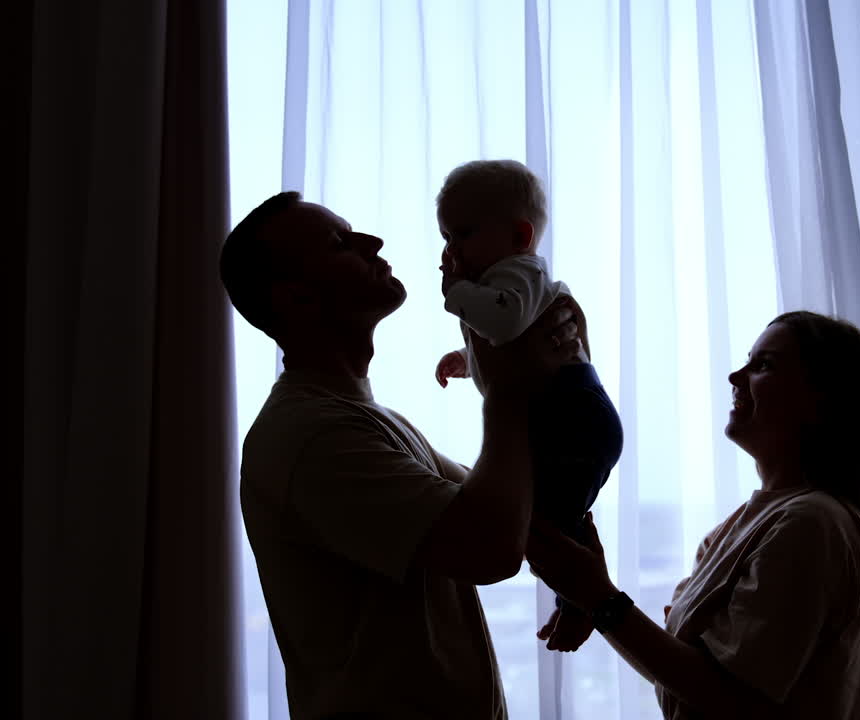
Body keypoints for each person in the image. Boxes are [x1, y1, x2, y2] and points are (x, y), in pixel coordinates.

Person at [219, 191, 586, 719]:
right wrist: (508, 383)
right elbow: (490, 547)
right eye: (340, 243)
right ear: (297, 297)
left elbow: (517, 510)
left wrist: (580, 570)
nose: (373, 241)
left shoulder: (366, 419)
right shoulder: (313, 435)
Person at [526, 311, 860, 719]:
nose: (735, 377)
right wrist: (593, 600)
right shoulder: (744, 526)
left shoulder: (810, 524)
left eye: (764, 365)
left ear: (821, 400)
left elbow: (734, 697)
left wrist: (597, 596)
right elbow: (687, 675)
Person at [432, 159, 624, 652]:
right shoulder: (510, 280)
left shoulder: (518, 272)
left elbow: (505, 323)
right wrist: (466, 358)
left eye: (461, 236)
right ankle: (579, 599)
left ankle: (580, 600)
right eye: (445, 237)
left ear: (520, 235)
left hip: (573, 414)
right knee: (547, 515)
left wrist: (456, 296)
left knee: (542, 521)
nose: (449, 252)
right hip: (566, 415)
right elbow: (509, 347)